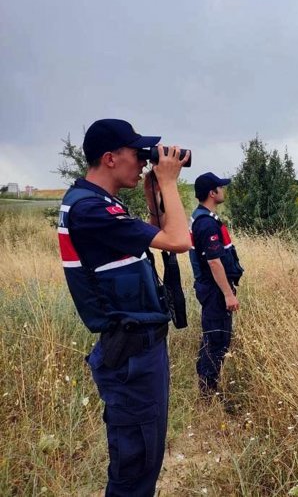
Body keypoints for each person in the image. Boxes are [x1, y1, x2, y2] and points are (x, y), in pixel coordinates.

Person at [57, 118, 191, 496]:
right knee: (135, 466)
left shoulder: (98, 205)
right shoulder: (90, 210)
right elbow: (180, 240)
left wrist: (154, 198)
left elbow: (156, 236)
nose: (144, 162)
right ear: (110, 158)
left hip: (138, 349)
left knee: (143, 458)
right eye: (138, 154)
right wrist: (168, 181)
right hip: (131, 354)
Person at [189, 172, 244, 397]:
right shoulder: (206, 224)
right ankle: (208, 393)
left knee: (213, 336)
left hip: (212, 289)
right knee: (217, 338)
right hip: (214, 291)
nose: (224, 190)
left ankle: (207, 385)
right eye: (221, 187)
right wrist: (228, 294)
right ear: (212, 193)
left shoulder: (204, 217)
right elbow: (213, 261)